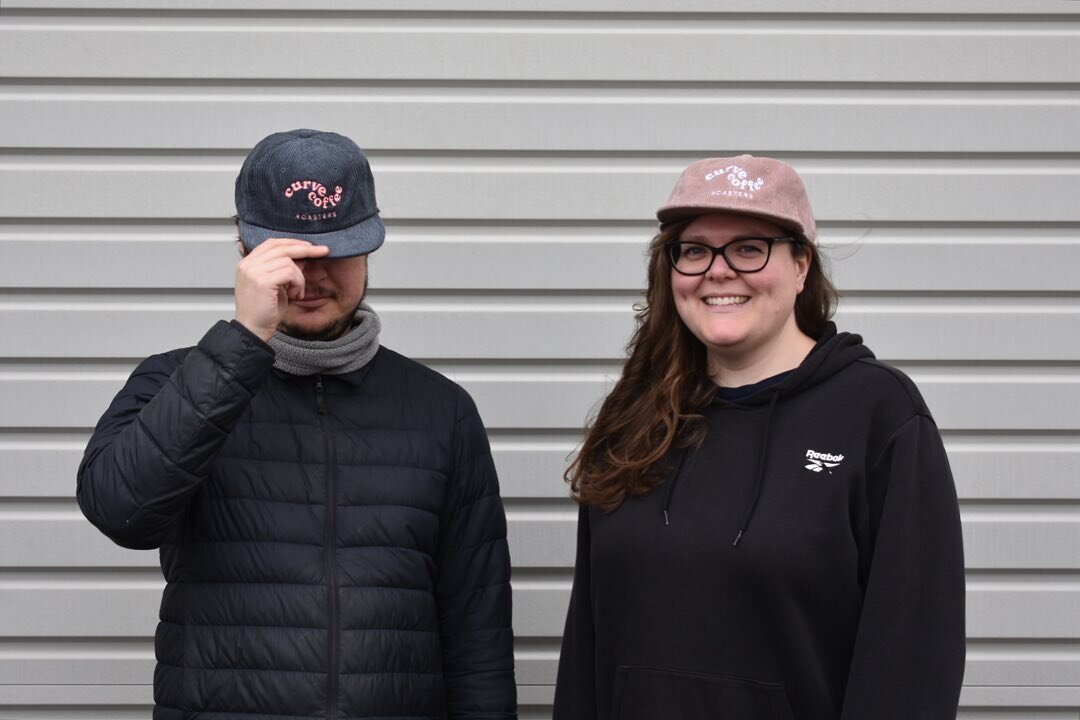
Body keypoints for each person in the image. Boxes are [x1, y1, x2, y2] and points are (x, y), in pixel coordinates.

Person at [77, 129, 517, 720]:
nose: (311, 280)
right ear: (244, 252)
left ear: (369, 248)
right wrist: (240, 344)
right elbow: (119, 511)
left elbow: (476, 632)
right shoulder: (177, 383)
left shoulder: (442, 410)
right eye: (290, 256)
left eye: (334, 253)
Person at [552, 155, 965, 719]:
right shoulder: (636, 417)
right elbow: (587, 647)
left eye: (749, 247)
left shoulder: (878, 415)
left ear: (801, 266)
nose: (718, 271)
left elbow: (912, 658)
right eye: (694, 250)